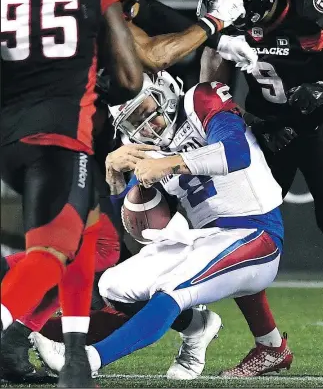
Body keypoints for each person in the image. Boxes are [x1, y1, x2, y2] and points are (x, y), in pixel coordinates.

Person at [33, 70, 289, 378]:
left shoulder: (200, 100)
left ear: (164, 90)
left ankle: (88, 361)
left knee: (173, 288)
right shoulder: (144, 149)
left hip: (257, 233)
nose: (147, 126)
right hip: (203, 239)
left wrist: (167, 163)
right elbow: (131, 232)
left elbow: (235, 153)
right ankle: (197, 325)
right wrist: (114, 179)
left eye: (147, 110)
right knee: (114, 286)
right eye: (133, 121)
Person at [198, 0, 323, 377]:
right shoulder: (226, 20)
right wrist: (236, 122)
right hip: (265, 129)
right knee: (243, 235)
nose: (228, 8)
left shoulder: (308, 9)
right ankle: (270, 346)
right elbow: (212, 85)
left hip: (317, 124)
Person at [0, 0, 144, 386]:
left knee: (91, 234)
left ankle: (76, 359)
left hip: (11, 137)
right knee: (50, 253)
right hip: (61, 137)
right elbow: (130, 79)